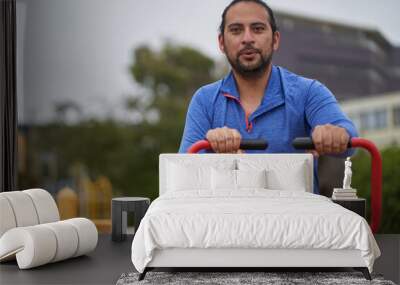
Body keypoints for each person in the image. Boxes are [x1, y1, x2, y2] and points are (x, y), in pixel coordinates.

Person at [178, 0, 358, 193]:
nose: (247, 38)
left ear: (275, 40)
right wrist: (212, 150)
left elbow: (350, 138)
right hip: (226, 217)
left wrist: (334, 134)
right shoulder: (204, 100)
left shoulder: (309, 91)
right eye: (236, 30)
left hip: (295, 218)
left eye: (257, 29)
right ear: (222, 42)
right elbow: (185, 172)